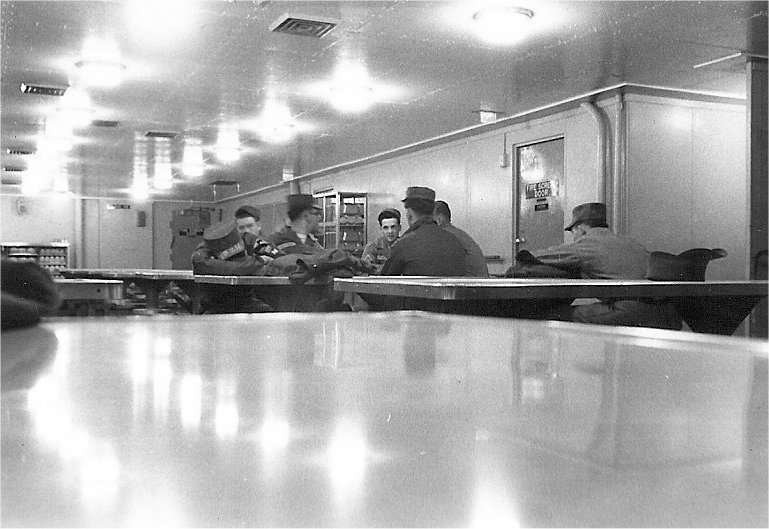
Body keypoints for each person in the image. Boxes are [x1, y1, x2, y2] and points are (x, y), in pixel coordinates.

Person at [529, 202, 681, 329]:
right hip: (667, 313)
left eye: (573, 232)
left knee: (552, 315)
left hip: (632, 311)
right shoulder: (630, 242)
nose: (574, 237)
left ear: (581, 229)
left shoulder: (588, 243)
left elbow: (539, 257)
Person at [191, 221, 279, 314]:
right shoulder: (205, 251)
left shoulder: (250, 240)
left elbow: (281, 258)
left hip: (247, 301)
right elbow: (200, 261)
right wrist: (255, 263)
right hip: (214, 304)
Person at [379, 186, 466, 276]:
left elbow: (385, 282)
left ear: (409, 214)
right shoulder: (455, 242)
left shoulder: (403, 246)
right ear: (432, 211)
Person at [433, 200, 489, 277]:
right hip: (478, 281)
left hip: (469, 282)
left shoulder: (446, 237)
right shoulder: (458, 234)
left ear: (439, 220)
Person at [361, 208, 401, 272]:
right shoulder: (372, 247)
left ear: (399, 228)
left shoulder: (406, 246)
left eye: (393, 227)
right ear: (381, 229)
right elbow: (365, 269)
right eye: (385, 228)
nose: (390, 231)